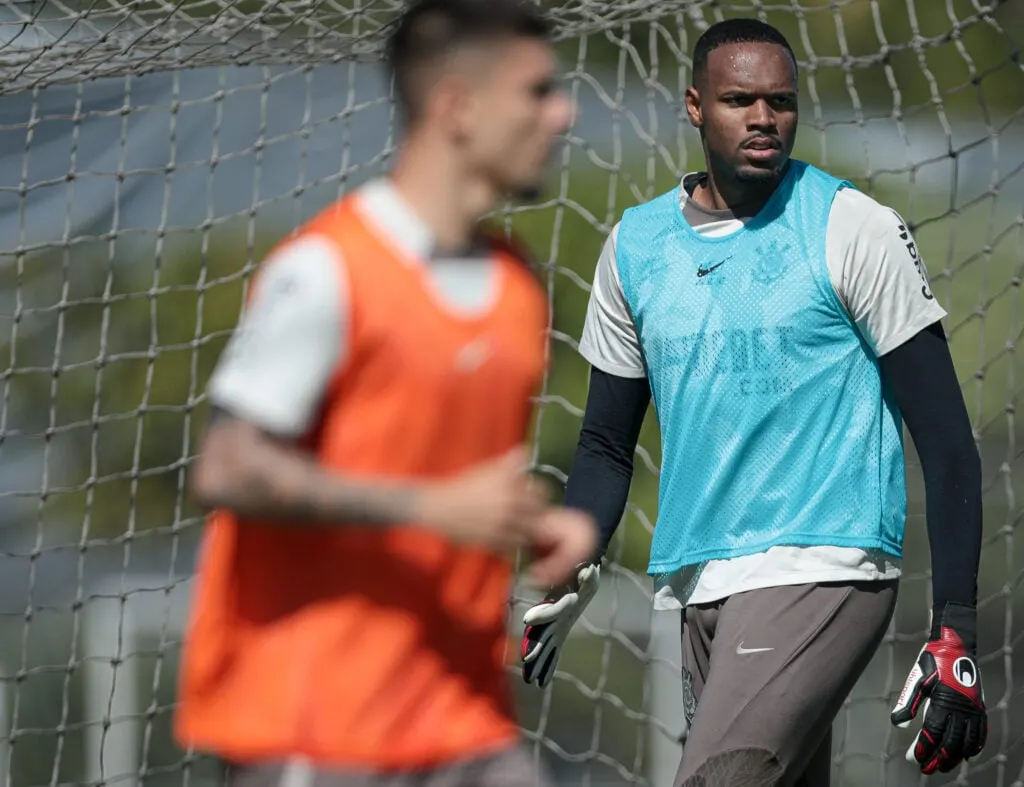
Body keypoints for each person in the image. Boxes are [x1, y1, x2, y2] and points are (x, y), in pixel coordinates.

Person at [520, 16, 988, 786]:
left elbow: (946, 440)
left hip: (823, 563)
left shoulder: (851, 228)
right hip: (699, 581)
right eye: (741, 100)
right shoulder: (635, 248)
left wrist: (955, 630)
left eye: (781, 101)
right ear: (696, 105)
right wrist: (575, 565)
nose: (765, 119)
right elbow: (606, 444)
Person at [173, 1, 597, 785]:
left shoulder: (517, 286)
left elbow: (448, 480)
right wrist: (430, 507)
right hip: (319, 730)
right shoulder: (329, 271)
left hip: (462, 717)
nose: (562, 112)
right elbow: (228, 468)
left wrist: (533, 523)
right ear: (457, 109)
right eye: (537, 91)